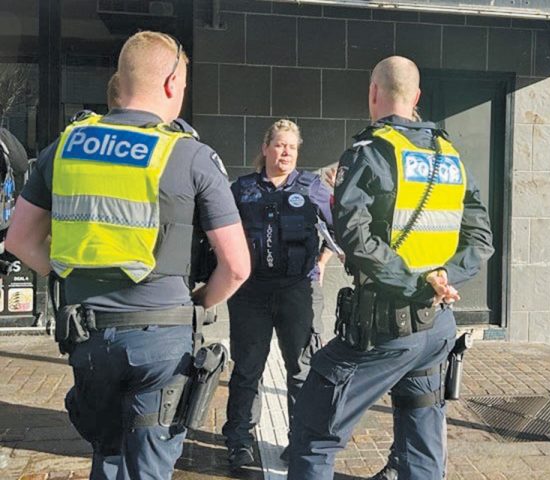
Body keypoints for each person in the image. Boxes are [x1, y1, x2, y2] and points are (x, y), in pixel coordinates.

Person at [5, 31, 251, 479]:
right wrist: (199, 302)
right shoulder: (190, 155)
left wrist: (68, 277)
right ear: (172, 83)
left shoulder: (66, 147)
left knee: (108, 453)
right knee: (148, 467)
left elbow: (19, 240)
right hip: (162, 336)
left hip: (88, 332)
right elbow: (236, 266)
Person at [287, 56, 494, 479]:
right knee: (421, 440)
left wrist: (415, 282)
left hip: (385, 327)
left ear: (373, 93)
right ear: (417, 97)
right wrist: (444, 277)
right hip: (437, 326)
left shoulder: (370, 152)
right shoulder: (449, 155)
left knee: (313, 433)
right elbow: (481, 238)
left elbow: (355, 237)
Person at [223, 119, 335, 469]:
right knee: (247, 369)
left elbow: (341, 228)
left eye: (292, 147)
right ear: (265, 148)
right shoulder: (241, 189)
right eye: (280, 145)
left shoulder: (312, 187)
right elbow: (219, 231)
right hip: (251, 292)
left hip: (297, 290)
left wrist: (322, 262)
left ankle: (299, 442)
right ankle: (239, 442)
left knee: (302, 369)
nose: (286, 152)